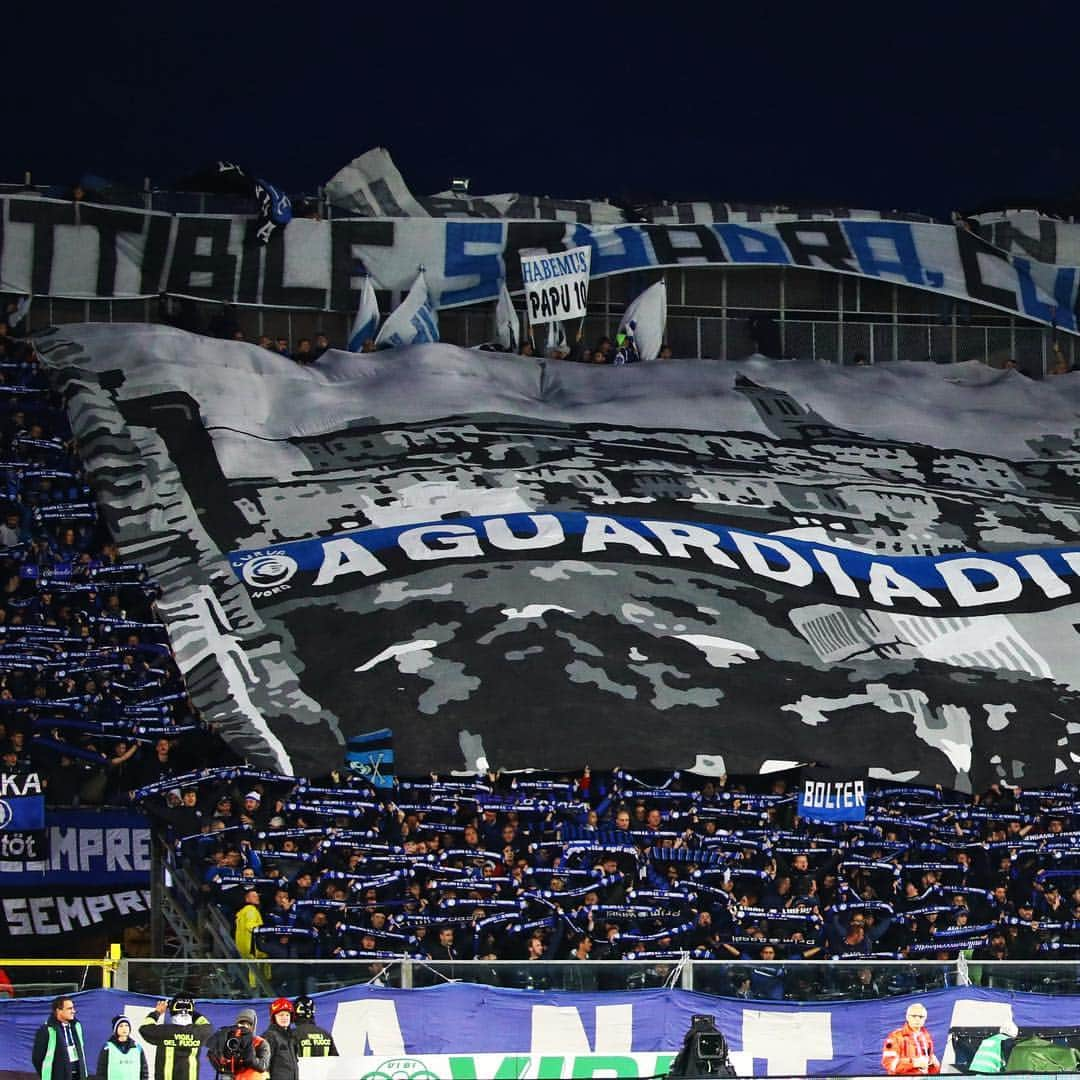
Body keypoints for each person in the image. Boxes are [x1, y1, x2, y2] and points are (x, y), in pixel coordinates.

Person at [139, 998, 214, 1080]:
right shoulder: (199, 1032)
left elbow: (144, 1028)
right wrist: (190, 1009)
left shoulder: (164, 1031)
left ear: (171, 1013)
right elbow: (207, 1025)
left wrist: (157, 1012)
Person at [32, 996, 89, 1080]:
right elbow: (37, 1058)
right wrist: (50, 1075)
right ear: (59, 1010)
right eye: (69, 1008)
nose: (74, 1011)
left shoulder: (77, 1026)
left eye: (73, 1008)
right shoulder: (46, 1030)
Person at [206, 1008, 271, 1080]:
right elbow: (224, 1066)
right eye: (242, 1024)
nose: (245, 1027)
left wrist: (248, 1051)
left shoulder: (261, 1043)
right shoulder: (231, 1041)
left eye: (248, 1024)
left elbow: (262, 1066)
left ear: (253, 1027)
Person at [882, 1003, 939, 1075]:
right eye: (914, 1016)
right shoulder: (894, 1036)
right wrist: (914, 1062)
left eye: (921, 1016)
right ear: (907, 1017)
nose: (917, 1019)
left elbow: (930, 1065)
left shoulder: (926, 1037)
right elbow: (888, 1062)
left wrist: (934, 1065)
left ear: (925, 1019)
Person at [261, 998, 299, 1080]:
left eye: (287, 1015)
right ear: (274, 1017)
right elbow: (264, 1066)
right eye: (281, 1015)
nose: (284, 1018)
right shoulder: (269, 1037)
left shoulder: (291, 1038)